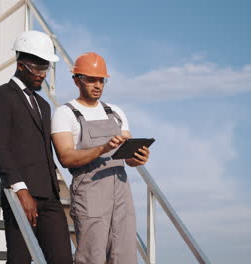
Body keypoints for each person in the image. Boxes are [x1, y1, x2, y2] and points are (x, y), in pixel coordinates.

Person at [51, 52, 150, 264]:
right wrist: (102, 148)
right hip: (90, 192)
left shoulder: (116, 112)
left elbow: (130, 159)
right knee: (92, 256)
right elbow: (66, 157)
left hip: (122, 192)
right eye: (90, 79)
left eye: (101, 80)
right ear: (77, 80)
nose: (97, 85)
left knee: (124, 256)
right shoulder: (65, 114)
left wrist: (139, 157)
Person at [0, 30, 73, 264]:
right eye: (38, 69)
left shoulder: (44, 106)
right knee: (20, 260)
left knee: (63, 259)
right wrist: (21, 190)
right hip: (21, 195)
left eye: (46, 69)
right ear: (21, 65)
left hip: (50, 197)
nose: (42, 75)